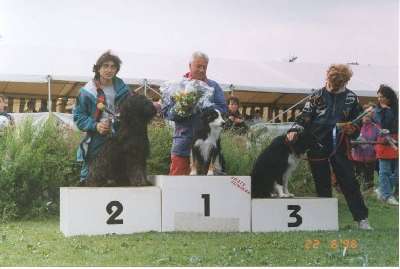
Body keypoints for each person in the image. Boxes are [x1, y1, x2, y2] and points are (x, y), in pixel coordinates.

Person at [286, 64, 372, 230]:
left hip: (340, 144)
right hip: (316, 142)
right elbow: (304, 117)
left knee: (348, 180)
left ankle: (362, 219)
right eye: (331, 84)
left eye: (337, 85)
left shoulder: (351, 98)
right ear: (327, 78)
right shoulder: (316, 96)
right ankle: (326, 220)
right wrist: (294, 130)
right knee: (321, 181)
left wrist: (353, 128)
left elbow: (358, 121)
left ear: (345, 82)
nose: (332, 88)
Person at [162, 51, 227, 175]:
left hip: (208, 148)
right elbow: (166, 113)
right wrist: (182, 107)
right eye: (198, 66)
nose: (202, 70)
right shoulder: (177, 86)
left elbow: (223, 109)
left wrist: (205, 106)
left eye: (205, 67)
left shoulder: (214, 87)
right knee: (177, 185)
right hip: (183, 146)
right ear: (190, 65)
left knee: (204, 189)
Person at [73, 51, 131, 184]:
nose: (109, 70)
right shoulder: (87, 91)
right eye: (105, 66)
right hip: (96, 138)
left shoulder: (124, 90)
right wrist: (96, 125)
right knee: (91, 175)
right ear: (98, 68)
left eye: (113, 66)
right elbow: (78, 116)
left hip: (121, 138)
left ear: (117, 69)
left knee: (119, 175)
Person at [372, 85, 398, 205]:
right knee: (384, 170)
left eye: (382, 97)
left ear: (389, 97)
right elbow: (384, 124)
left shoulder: (396, 108)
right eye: (378, 97)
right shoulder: (377, 110)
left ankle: (382, 189)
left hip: (397, 140)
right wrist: (386, 110)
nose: (380, 99)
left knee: (397, 172)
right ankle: (387, 196)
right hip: (384, 141)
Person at [351, 104, 380, 191]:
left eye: (368, 116)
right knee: (358, 175)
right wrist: (354, 143)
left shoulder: (376, 128)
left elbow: (378, 141)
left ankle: (369, 191)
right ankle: (357, 191)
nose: (366, 118)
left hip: (370, 157)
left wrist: (374, 148)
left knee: (369, 176)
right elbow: (351, 140)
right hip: (357, 157)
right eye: (365, 116)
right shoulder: (356, 127)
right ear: (361, 116)